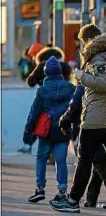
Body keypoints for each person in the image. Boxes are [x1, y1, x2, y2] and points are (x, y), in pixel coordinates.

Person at [51, 24, 106, 216]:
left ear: (88, 41)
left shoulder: (99, 57)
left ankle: (73, 201)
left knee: (84, 160)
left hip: (97, 119)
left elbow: (102, 83)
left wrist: (81, 75)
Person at [59, 84, 106, 209]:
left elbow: (74, 106)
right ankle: (93, 198)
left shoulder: (85, 81)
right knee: (99, 162)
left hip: (89, 127)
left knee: (98, 162)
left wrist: (65, 120)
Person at [22, 56, 75, 204]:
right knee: (60, 160)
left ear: (46, 73)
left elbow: (33, 114)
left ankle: (40, 188)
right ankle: (62, 190)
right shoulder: (71, 88)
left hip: (45, 131)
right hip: (63, 130)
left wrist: (27, 135)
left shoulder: (42, 91)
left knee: (41, 158)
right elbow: (76, 109)